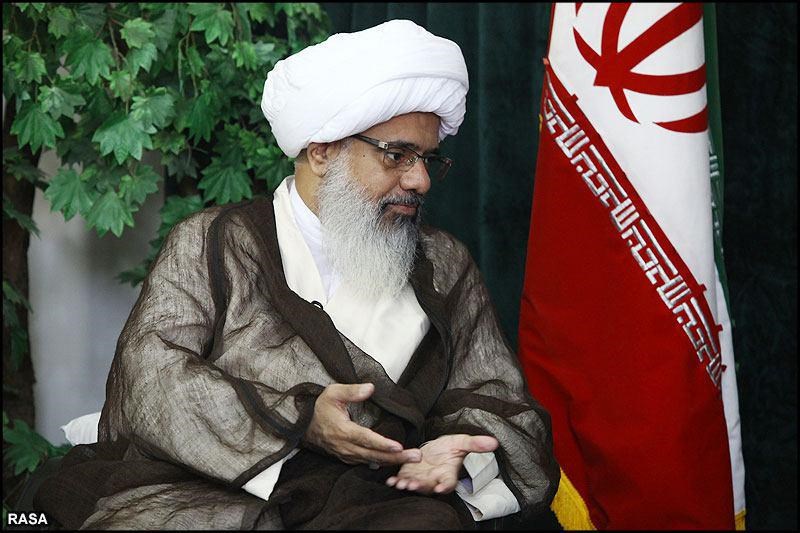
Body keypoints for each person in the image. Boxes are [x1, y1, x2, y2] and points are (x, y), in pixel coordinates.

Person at [34, 20, 560, 530]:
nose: (420, 180)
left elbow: (495, 395)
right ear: (323, 151)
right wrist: (300, 421)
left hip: (386, 495)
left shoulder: (444, 263)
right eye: (398, 155)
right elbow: (152, 377)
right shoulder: (215, 241)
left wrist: (459, 452)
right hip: (224, 484)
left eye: (427, 159)